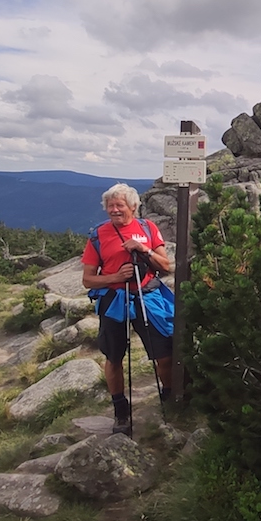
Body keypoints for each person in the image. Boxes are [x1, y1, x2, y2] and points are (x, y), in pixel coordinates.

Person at [81, 183, 173, 435]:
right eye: (110, 206)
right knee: (113, 356)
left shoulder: (148, 228)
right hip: (114, 299)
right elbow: (88, 280)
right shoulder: (98, 236)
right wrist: (114, 277)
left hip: (148, 295)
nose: (114, 210)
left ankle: (171, 397)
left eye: (119, 205)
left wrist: (143, 249)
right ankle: (120, 410)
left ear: (133, 207)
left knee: (164, 352)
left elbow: (166, 266)